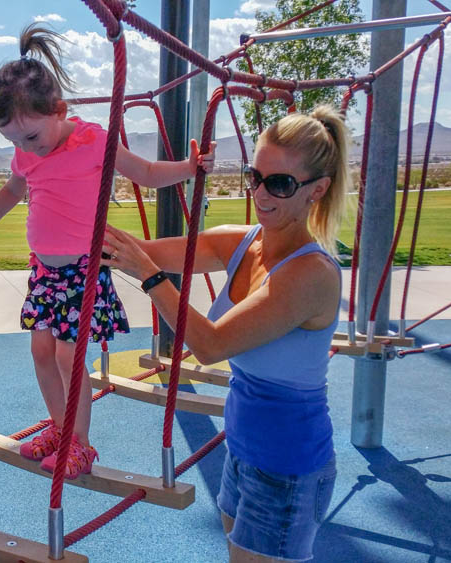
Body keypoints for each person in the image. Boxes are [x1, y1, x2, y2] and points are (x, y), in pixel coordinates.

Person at [0, 24, 215, 480]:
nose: (24, 148)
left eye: (30, 137)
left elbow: (149, 173)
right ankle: (60, 429)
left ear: (59, 110)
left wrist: (191, 169)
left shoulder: (94, 142)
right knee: (40, 350)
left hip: (83, 270)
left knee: (66, 357)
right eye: (13, 141)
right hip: (45, 272)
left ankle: (81, 443)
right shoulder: (27, 153)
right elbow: (12, 191)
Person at [102, 105, 349, 561]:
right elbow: (140, 250)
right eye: (255, 176)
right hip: (243, 452)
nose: (261, 193)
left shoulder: (311, 274)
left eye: (280, 183)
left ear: (318, 189)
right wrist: (79, 233)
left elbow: (210, 345)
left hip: (288, 467)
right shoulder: (245, 242)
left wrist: (151, 277)